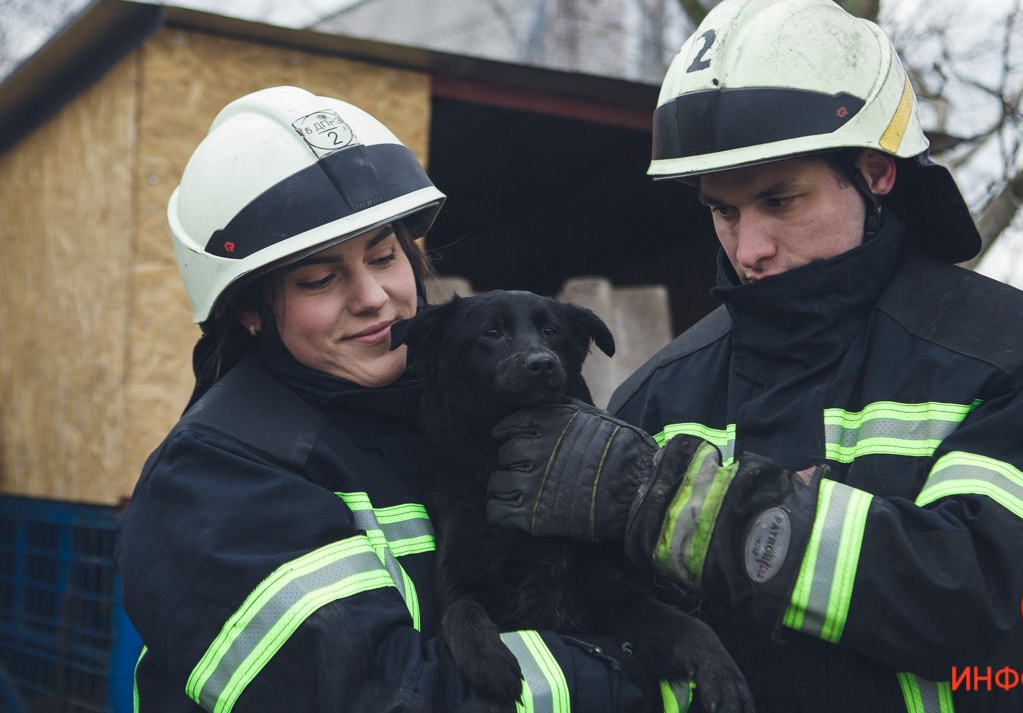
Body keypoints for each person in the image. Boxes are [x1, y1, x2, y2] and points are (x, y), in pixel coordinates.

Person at [486, 0, 1023, 713]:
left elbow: (1020, 618)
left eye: (780, 201)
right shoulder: (660, 392)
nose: (749, 248)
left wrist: (684, 505)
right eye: (723, 210)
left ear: (875, 171)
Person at [117, 87, 658, 712]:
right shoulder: (213, 479)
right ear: (249, 314)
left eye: (383, 256)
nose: (374, 297)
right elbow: (377, 695)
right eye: (319, 279)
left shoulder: (463, 419)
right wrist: (646, 672)